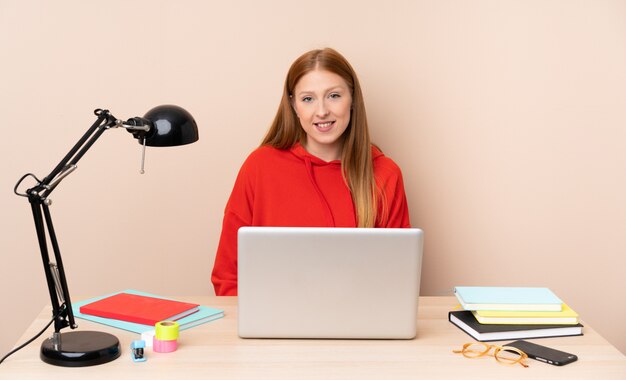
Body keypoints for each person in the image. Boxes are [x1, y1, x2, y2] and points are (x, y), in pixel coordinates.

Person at [211, 48, 411, 296]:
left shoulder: (385, 174)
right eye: (308, 99)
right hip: (271, 325)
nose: (322, 111)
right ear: (293, 105)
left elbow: (397, 281)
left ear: (353, 100)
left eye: (334, 96)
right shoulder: (259, 167)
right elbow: (228, 276)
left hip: (357, 325)